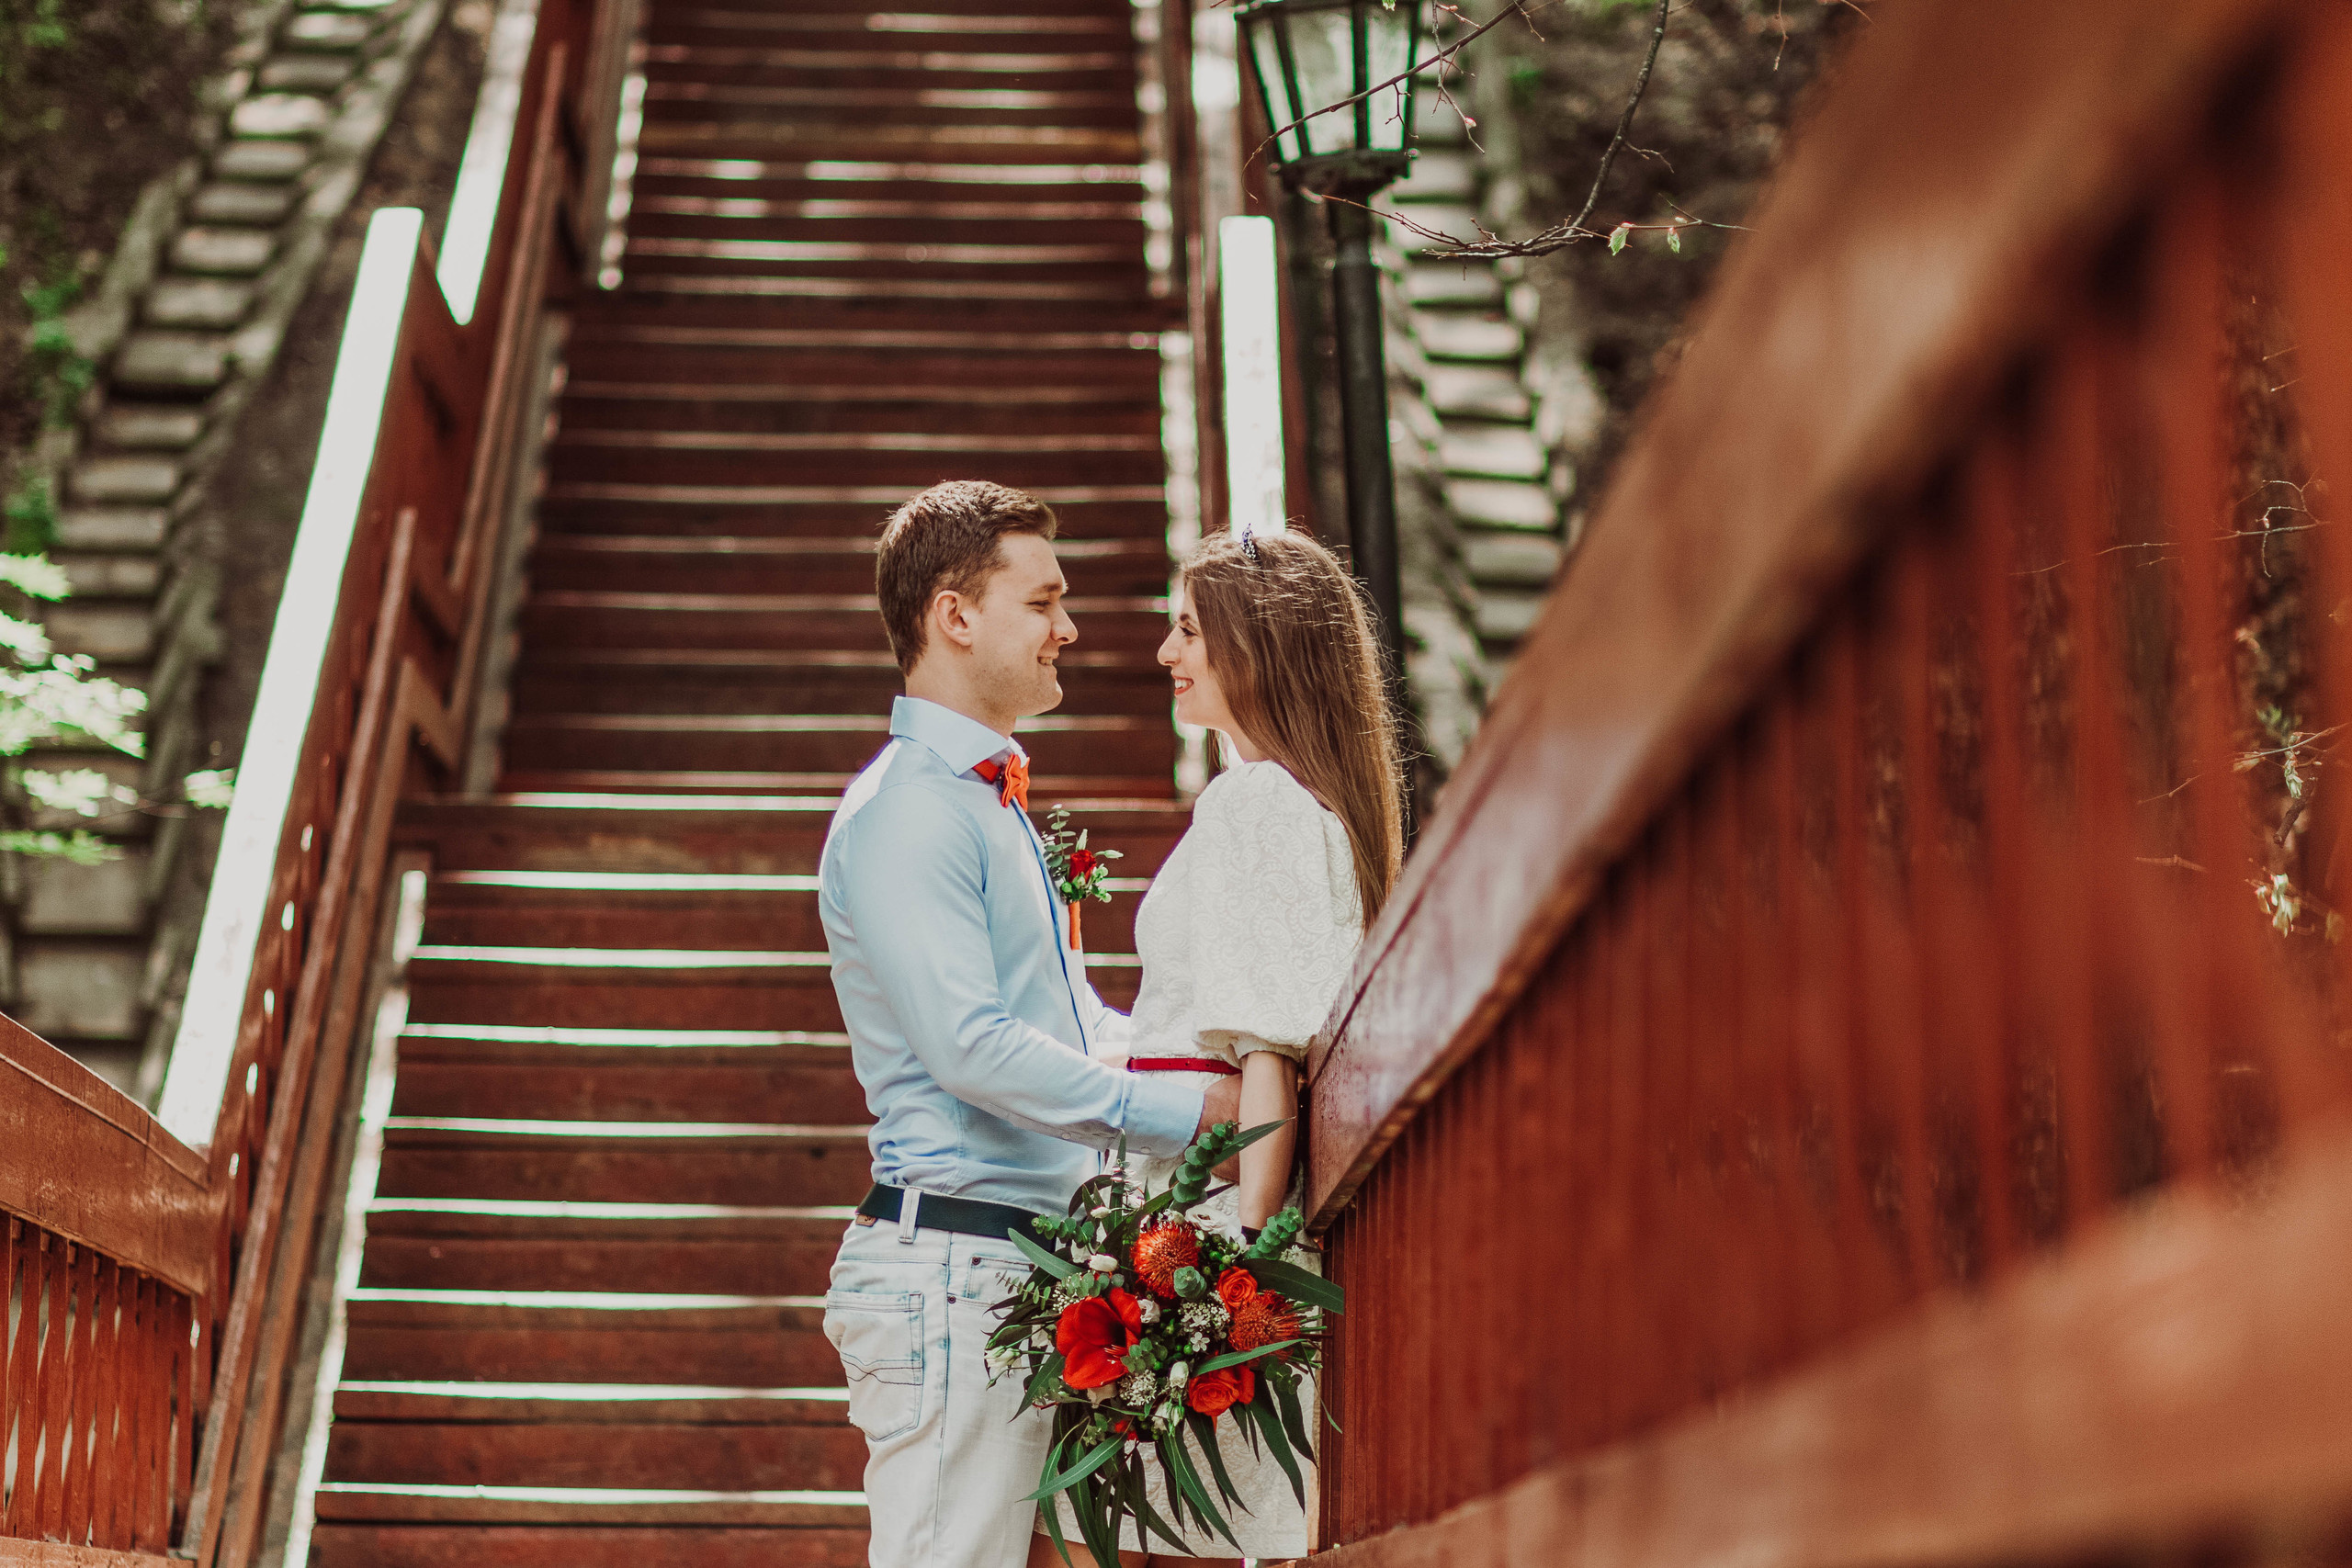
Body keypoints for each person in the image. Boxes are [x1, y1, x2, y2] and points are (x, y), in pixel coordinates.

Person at [820, 480, 1246, 1568]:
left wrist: (1212, 1069)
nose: (1070, 629)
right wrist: (1193, 1115)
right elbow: (971, 1048)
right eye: (1043, 601)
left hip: (1014, 1267)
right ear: (955, 616)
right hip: (953, 1267)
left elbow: (1063, 1025)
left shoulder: (983, 799)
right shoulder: (910, 810)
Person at [1033, 528, 1405, 1566]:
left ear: (1258, 646)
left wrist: (1230, 1269)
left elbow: (1267, 1053)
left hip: (1203, 1223)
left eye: (1190, 629)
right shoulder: (1306, 802)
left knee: (1148, 1534)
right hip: (1213, 1214)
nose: (1165, 651)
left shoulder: (1256, 801)